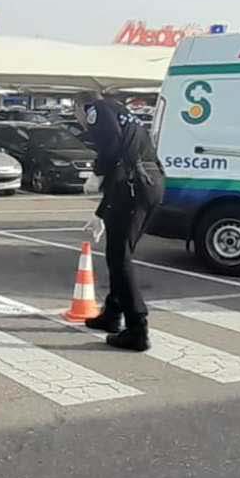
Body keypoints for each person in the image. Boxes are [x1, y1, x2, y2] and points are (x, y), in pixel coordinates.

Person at [72, 91, 165, 351]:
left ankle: (137, 327)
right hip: (150, 181)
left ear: (80, 107)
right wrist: (101, 212)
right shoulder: (122, 111)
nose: (80, 121)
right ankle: (112, 314)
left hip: (134, 186)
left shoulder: (96, 109)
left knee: (118, 257)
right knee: (120, 253)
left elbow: (111, 150)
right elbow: (122, 163)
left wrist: (96, 172)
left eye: (75, 114)